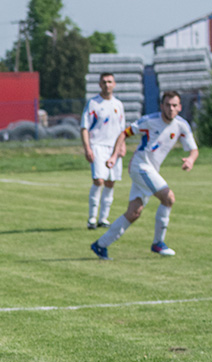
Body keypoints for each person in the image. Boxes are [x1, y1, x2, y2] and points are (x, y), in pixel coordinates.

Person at [91, 91, 198, 260]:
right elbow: (124, 133)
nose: (171, 109)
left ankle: (100, 245)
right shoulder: (150, 120)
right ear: (161, 106)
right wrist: (114, 155)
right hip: (140, 166)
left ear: (179, 107)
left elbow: (194, 149)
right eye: (168, 105)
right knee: (168, 198)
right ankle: (158, 243)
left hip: (151, 170)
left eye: (174, 105)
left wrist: (191, 160)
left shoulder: (181, 125)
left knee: (134, 212)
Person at [80, 72, 126, 230]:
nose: (107, 85)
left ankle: (104, 218)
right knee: (98, 180)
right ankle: (92, 218)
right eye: (104, 82)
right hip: (97, 146)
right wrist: (87, 148)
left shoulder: (118, 105)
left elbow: (122, 130)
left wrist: (122, 146)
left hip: (114, 148)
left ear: (114, 84)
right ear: (100, 84)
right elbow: (84, 127)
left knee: (110, 182)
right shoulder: (93, 103)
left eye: (110, 82)